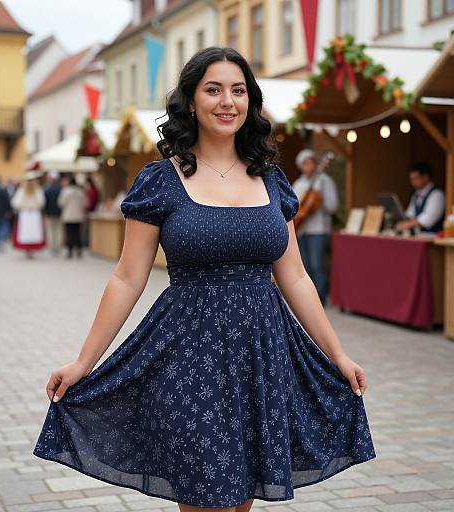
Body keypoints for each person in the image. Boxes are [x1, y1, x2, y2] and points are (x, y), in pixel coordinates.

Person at [33, 47, 376, 510]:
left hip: (262, 356)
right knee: (205, 498)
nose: (227, 101)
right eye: (213, 90)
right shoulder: (161, 179)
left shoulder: (272, 181)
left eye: (238, 90)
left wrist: (337, 353)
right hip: (187, 358)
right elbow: (127, 277)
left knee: (239, 503)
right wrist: (84, 362)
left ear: (250, 102)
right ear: (191, 102)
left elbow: (294, 276)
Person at [291, 149, 339, 306]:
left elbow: (333, 207)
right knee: (305, 266)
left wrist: (319, 199)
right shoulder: (298, 184)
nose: (309, 166)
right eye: (305, 163)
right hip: (301, 229)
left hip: (318, 230)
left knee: (318, 264)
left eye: (311, 162)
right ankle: (308, 298)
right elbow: (294, 207)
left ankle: (321, 297)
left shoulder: (325, 181)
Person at [395, 161, 445, 233]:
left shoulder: (437, 195)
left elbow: (428, 219)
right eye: (412, 179)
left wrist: (407, 224)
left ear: (425, 177)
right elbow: (410, 214)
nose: (413, 182)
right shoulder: (416, 195)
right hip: (419, 235)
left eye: (416, 179)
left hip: (433, 237)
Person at [11, 173, 46, 258]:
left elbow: (15, 203)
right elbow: (42, 202)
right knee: (29, 231)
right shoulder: (37, 191)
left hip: (27, 213)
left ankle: (29, 250)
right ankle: (30, 250)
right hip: (31, 213)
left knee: (29, 231)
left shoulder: (23, 191)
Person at [57, 175, 88, 258]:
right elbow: (85, 203)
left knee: (69, 233)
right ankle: (79, 250)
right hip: (78, 216)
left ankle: (70, 251)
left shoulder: (65, 191)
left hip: (68, 216)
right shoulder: (80, 192)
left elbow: (60, 203)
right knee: (77, 233)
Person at [43, 170, 63, 255]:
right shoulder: (60, 189)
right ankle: (57, 247)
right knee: (58, 230)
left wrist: (45, 212)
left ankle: (52, 247)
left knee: (50, 231)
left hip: (49, 213)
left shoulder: (46, 190)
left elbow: (45, 203)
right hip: (58, 213)